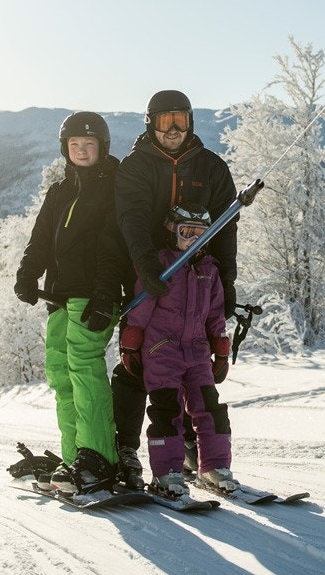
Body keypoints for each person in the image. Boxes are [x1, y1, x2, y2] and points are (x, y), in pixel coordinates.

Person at [111, 89, 239, 491]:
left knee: (202, 392)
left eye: (180, 120)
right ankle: (128, 452)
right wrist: (146, 264)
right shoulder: (136, 166)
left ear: (191, 122)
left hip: (198, 279)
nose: (173, 129)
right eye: (164, 121)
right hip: (145, 274)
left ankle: (199, 459)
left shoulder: (211, 167)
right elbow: (131, 217)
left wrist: (226, 282)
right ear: (150, 123)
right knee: (139, 379)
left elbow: (225, 228)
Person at [14, 111, 134, 496]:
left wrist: (104, 294)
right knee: (60, 373)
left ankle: (99, 458)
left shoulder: (112, 188)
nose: (82, 151)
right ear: (65, 150)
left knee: (84, 368)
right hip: (59, 297)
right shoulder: (59, 191)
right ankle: (73, 460)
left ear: (102, 148)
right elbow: (40, 237)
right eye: (75, 145)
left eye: (90, 145)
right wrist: (28, 272)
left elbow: (113, 247)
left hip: (92, 295)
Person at [120, 205, 235, 499]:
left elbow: (215, 315)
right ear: (173, 232)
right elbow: (142, 306)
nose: (193, 240)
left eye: (200, 234)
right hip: (162, 349)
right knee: (166, 410)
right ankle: (167, 472)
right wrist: (132, 340)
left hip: (197, 350)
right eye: (187, 233)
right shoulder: (162, 264)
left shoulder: (209, 270)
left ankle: (215, 466)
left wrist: (220, 347)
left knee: (210, 408)